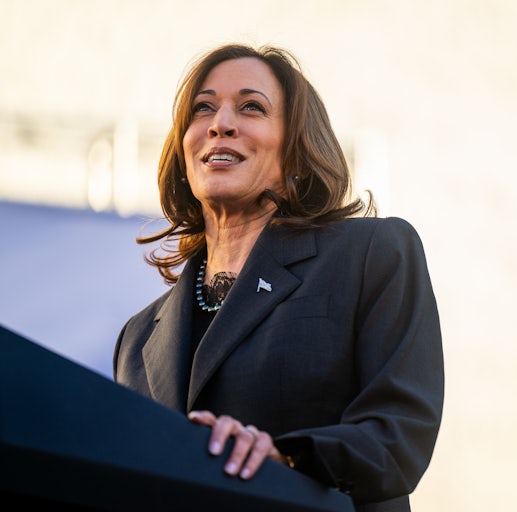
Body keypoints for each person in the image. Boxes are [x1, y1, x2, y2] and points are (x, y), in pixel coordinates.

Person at [112, 43, 444, 512]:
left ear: (297, 153)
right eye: (203, 108)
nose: (220, 123)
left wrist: (285, 457)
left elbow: (398, 436)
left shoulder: (373, 254)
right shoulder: (136, 339)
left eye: (251, 107)